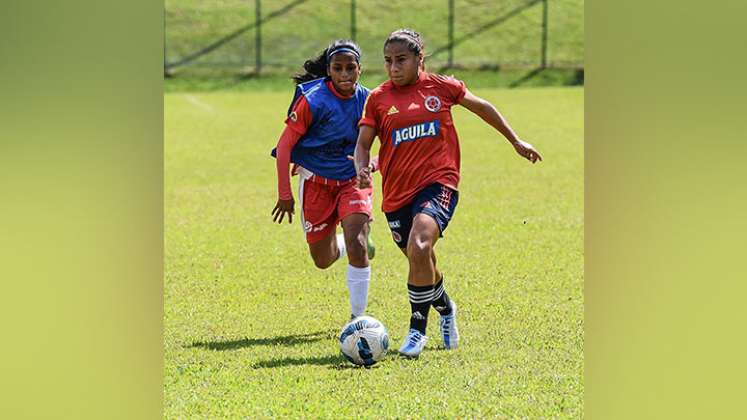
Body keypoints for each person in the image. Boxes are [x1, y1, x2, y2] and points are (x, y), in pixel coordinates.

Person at [354, 29, 542, 358]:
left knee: (420, 244)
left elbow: (483, 108)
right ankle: (446, 307)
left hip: (439, 183)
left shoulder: (441, 87)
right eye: (387, 61)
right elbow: (363, 145)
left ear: (419, 60)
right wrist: (362, 168)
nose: (393, 67)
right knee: (420, 259)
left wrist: (516, 141)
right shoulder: (379, 99)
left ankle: (416, 331)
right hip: (397, 194)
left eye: (401, 60)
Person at [271, 39, 377, 320]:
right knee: (322, 259)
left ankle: (358, 321)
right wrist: (285, 194)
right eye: (338, 68)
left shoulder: (369, 100)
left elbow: (391, 146)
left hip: (353, 182)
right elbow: (284, 147)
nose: (344, 74)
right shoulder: (313, 99)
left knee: (358, 245)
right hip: (315, 183)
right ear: (329, 70)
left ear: (360, 69)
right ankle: (349, 243)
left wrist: (371, 165)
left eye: (350, 68)